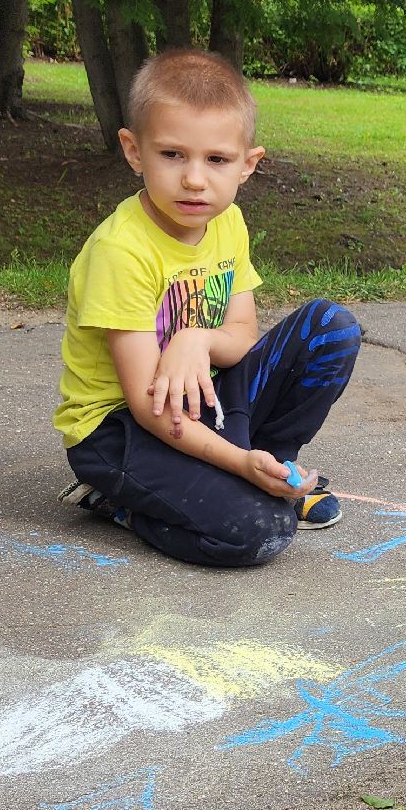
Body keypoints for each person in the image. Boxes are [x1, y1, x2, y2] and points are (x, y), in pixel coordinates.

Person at [53, 49, 360, 567]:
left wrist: (195, 338)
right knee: (262, 532)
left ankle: (274, 467)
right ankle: (116, 500)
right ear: (134, 151)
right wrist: (237, 463)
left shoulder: (227, 223)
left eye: (216, 160)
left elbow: (242, 336)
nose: (195, 179)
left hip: (202, 399)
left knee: (332, 327)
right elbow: (149, 406)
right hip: (123, 428)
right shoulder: (121, 251)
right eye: (173, 154)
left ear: (247, 165)